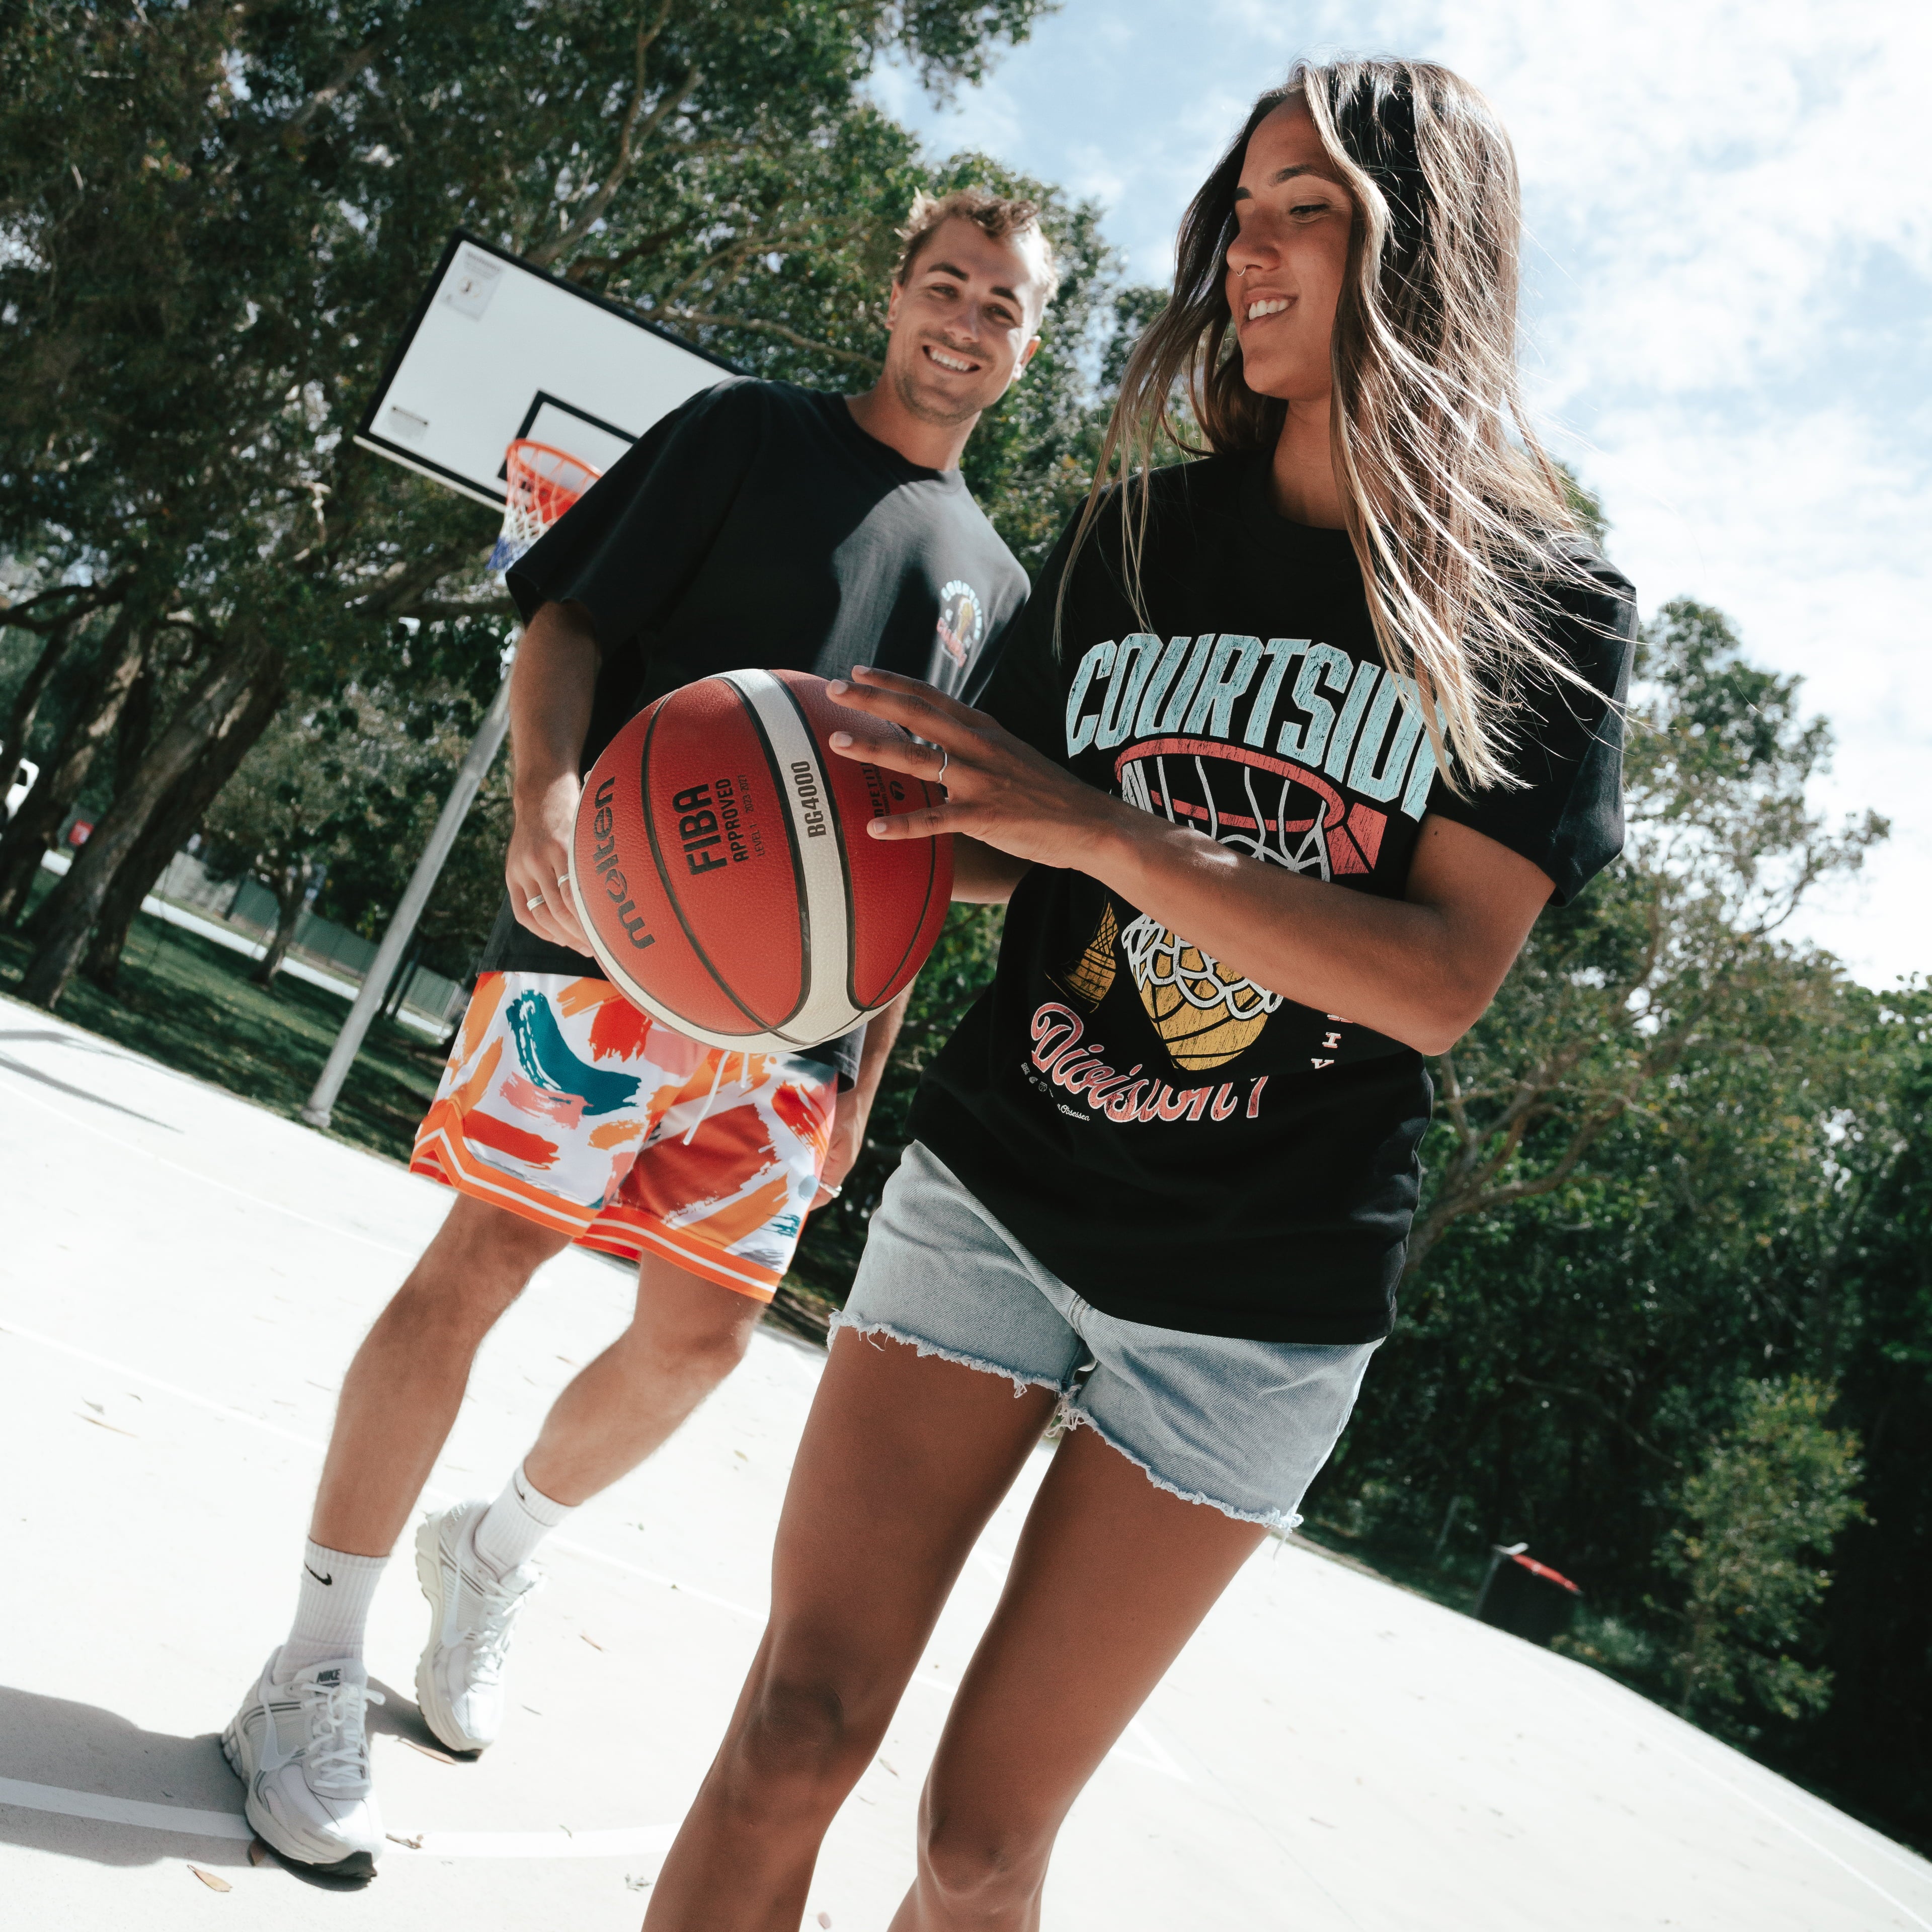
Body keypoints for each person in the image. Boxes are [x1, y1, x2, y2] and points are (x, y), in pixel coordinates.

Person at [641, 57, 1638, 1929]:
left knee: (979, 1847)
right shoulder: (1136, 537)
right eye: (1239, 211)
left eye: (1302, 210)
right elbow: (994, 832)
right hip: (1004, 1187)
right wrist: (815, 819)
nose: (1244, 251)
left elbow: (1435, 983)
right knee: (792, 1726)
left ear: (1422, 251)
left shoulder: (1545, 608)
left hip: (1254, 1296)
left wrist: (1102, 829)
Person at [222, 188, 1060, 1875]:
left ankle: (500, 1544)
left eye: (1004, 305)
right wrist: (542, 794)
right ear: (893, 291)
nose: (967, 318)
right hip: (605, 942)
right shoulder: (748, 435)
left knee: (695, 1346)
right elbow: (570, 621)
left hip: (795, 1039)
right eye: (946, 284)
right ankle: (309, 1662)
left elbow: (900, 868)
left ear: (1030, 348)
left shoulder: (999, 586)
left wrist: (861, 1088)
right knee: (481, 1268)